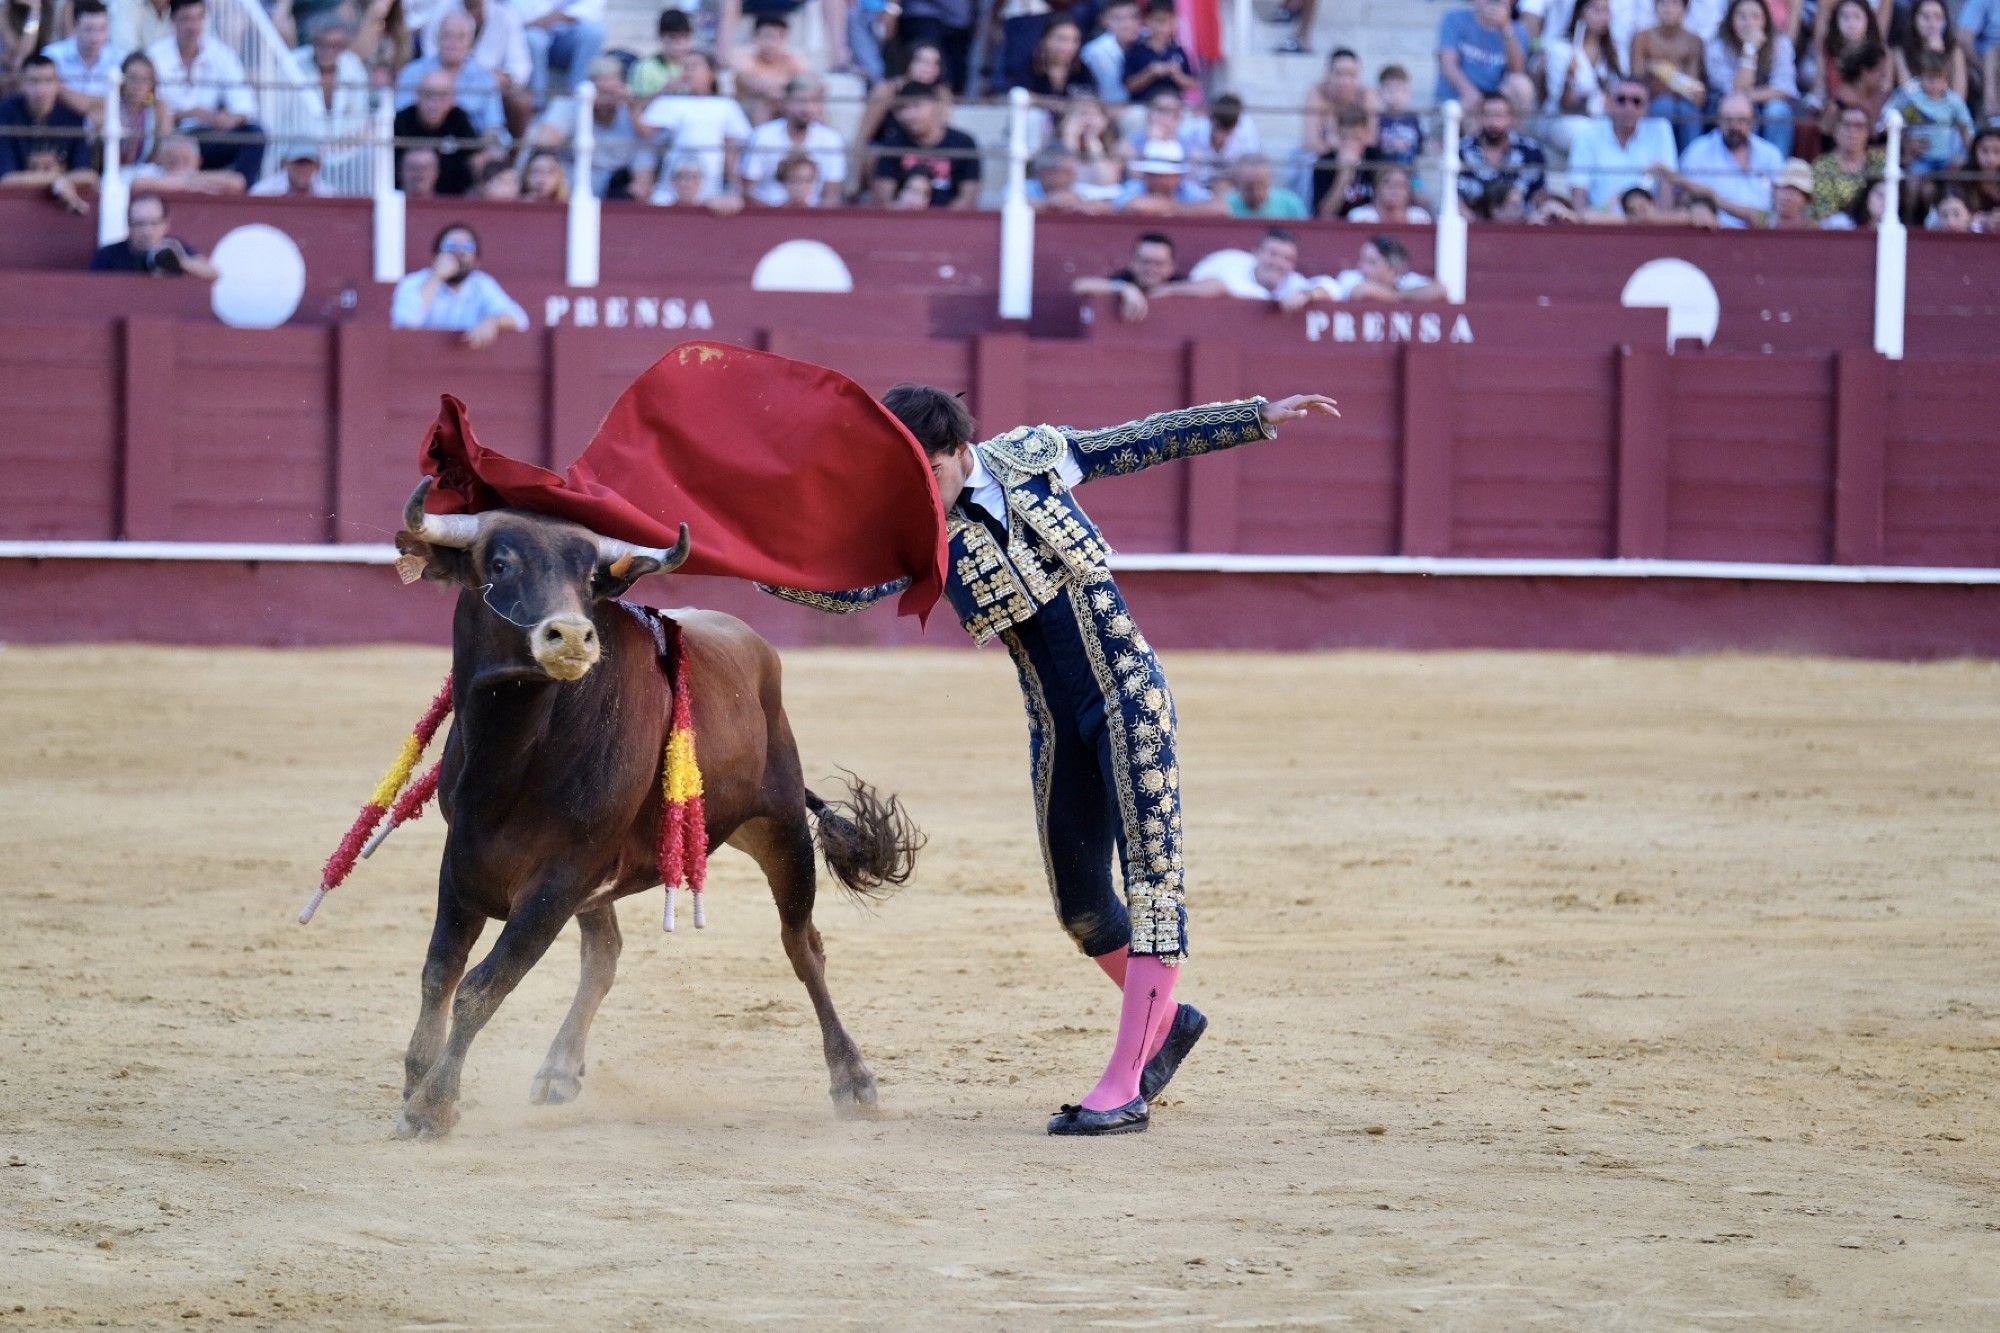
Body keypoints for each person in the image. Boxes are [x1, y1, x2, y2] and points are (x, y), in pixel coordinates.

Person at [760, 381, 1341, 1137]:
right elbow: (840, 590)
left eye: (926, 473)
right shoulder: (917, 530)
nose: (918, 493)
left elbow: (1143, 439)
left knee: (1154, 880)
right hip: (1056, 722)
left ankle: (1125, 1084)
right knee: (1081, 903)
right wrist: (751, 557)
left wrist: (1253, 418)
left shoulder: (1034, 457)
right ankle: (1167, 1024)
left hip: (1129, 692)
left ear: (961, 453)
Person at [147, 0, 264, 182]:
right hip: (169, 135)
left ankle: (241, 194)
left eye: (199, 18)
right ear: (172, 20)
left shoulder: (221, 54)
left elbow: (245, 106)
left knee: (254, 135)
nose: (193, 26)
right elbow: (146, 105)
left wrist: (228, 119)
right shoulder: (155, 56)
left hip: (209, 136)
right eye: (186, 19)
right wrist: (190, 113)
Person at [641, 51, 751, 203]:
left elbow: (731, 150)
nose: (688, 72)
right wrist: (663, 91)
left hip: (711, 187)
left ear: (711, 73)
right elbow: (645, 132)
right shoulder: (671, 101)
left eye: (694, 66)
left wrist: (735, 188)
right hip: (672, 184)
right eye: (685, 67)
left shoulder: (726, 105)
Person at [391, 224, 529, 345]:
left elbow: (520, 320)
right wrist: (436, 277)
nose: (459, 252)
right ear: (435, 257)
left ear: (476, 262)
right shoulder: (413, 283)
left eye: (468, 247)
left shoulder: (481, 284)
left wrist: (493, 321)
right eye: (451, 246)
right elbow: (406, 322)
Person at [1566, 74, 1678, 211]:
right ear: (1609, 104)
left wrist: (1661, 227)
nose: (1628, 107)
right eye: (1621, 100)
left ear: (1646, 108)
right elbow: (1579, 193)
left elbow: (1668, 185)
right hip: (1600, 225)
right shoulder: (1587, 135)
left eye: (1636, 101)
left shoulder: (1660, 130)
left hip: (1646, 225)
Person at [1670, 90, 1785, 223]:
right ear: (1718, 121)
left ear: (1753, 122)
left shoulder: (1771, 155)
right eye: (1728, 120)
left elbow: (1780, 209)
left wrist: (1715, 199)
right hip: (1714, 236)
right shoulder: (1698, 151)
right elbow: (1683, 199)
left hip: (1763, 236)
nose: (1734, 127)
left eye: (1741, 120)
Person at [1705, 0, 1798, 154]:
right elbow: (1735, 93)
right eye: (1742, 16)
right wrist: (1750, 50)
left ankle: (1777, 170)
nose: (1749, 23)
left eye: (1756, 17)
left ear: (1765, 20)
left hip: (1765, 103)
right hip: (1725, 104)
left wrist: (1749, 96)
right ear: (1731, 19)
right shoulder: (1717, 46)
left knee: (1778, 111)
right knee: (1743, 111)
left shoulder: (1780, 43)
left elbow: (1785, 88)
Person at [395, 10, 505, 138]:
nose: (453, 43)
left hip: (468, 151)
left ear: (472, 43)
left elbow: (494, 126)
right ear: (437, 38)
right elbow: (400, 120)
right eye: (447, 35)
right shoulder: (412, 73)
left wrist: (484, 154)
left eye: (461, 37)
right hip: (419, 147)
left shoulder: (484, 78)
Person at [869, 83, 980, 208]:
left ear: (935, 106)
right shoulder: (892, 145)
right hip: (903, 221)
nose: (908, 115)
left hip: (948, 222)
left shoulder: (964, 143)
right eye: (902, 108)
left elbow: (967, 199)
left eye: (916, 106)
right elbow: (884, 201)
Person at [740, 75, 846, 205]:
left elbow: (832, 195)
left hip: (813, 217)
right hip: (768, 215)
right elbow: (747, 191)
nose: (807, 108)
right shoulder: (762, 136)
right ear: (785, 103)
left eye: (814, 101)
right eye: (800, 101)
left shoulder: (832, 140)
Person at [1071, 230, 1211, 320]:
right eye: (1145, 262)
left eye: (1159, 264)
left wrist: (1171, 289)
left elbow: (1217, 285)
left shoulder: (1178, 282)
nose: (1151, 269)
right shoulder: (1125, 280)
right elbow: (1080, 285)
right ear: (1132, 263)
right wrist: (1124, 288)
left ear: (1171, 266)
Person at [1544, 0, 1627, 151]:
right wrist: (1570, 78)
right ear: (1581, 12)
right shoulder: (1561, 50)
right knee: (1589, 135)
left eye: (1606, 11)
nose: (1602, 17)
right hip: (1566, 120)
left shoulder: (1614, 53)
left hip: (1604, 120)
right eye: (1596, 10)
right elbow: (1564, 104)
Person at [1881, 47, 1973, 175]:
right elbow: (1891, 123)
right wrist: (1907, 142)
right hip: (1920, 158)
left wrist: (1969, 156)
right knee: (1914, 181)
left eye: (1939, 78)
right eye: (1929, 78)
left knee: (1956, 174)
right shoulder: (1912, 100)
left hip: (1947, 159)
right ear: (1920, 76)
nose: (1934, 83)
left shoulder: (1954, 102)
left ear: (1946, 79)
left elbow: (1965, 128)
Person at [0, 54, 90, 181]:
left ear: (58, 84)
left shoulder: (72, 114)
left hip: (62, 196)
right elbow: (6, 178)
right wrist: (55, 179)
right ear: (22, 84)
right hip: (17, 197)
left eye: (48, 81)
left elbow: (87, 175)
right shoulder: (4, 114)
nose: (41, 90)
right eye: (33, 81)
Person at [1437, 0, 1535, 116]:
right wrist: (1468, 91)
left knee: (1522, 86)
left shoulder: (1518, 31)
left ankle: (1514, 134)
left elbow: (1517, 71)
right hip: (1459, 96)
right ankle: (1474, 134)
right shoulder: (1454, 19)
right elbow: (1447, 64)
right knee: (1470, 103)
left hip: (1496, 97)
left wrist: (1506, 28)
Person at [395, 71, 484, 196]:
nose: (434, 104)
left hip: (453, 198)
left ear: (452, 100)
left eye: (442, 97)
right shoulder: (401, 120)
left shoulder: (459, 119)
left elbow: (477, 159)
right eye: (428, 95)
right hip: (404, 198)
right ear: (418, 95)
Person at [1633, 0, 1707, 148]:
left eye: (1675, 4)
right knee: (1664, 105)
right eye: (1664, 4)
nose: (1669, 9)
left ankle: (1690, 165)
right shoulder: (1642, 38)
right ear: (1656, 7)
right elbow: (1637, 77)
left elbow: (1693, 86)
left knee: (1689, 111)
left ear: (1685, 8)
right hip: (1651, 100)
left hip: (1683, 101)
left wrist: (1667, 78)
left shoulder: (1694, 41)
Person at [89, 193, 218, 277]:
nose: (147, 231)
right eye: (139, 223)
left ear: (166, 224)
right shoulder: (108, 255)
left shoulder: (173, 249)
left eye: (154, 223)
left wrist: (181, 262)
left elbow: (212, 273)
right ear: (128, 224)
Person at [1457, 89, 1548, 207]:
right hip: (1472, 223)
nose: (1493, 122)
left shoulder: (1531, 151)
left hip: (1521, 223)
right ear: (1478, 117)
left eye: (1499, 115)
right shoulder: (1461, 151)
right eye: (1488, 115)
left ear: (1511, 118)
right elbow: (1454, 198)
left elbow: (1540, 195)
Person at [44, 0, 125, 121]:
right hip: (62, 124)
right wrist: (99, 102)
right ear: (75, 27)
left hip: (105, 126)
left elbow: (125, 101)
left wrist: (62, 90)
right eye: (89, 29)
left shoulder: (120, 60)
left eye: (102, 29)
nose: (95, 38)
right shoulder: (52, 56)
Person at [1819, 0, 1892, 133]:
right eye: (1845, 17)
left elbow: (1885, 89)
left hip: (1875, 122)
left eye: (1857, 17)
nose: (1851, 24)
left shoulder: (1881, 53)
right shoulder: (1827, 52)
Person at [513, 0, 604, 107]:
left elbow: (593, 6)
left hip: (566, 31)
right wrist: (535, 21)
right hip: (531, 28)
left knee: (594, 32)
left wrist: (557, 17)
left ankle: (577, 100)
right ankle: (537, 104)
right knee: (533, 39)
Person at [1195, 227, 1322, 301]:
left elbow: (1330, 287)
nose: (1279, 263)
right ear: (1256, 254)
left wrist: (1308, 295)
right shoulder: (1229, 265)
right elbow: (1202, 282)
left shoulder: (1293, 282)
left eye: (1287, 259)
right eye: (1273, 254)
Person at [1311, 103, 1387, 217]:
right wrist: (1344, 175)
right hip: (1337, 229)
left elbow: (1388, 208)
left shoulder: (1377, 158)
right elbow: (1325, 214)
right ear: (1337, 134)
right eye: (1345, 138)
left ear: (1366, 135)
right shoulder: (1325, 163)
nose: (1350, 144)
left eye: (1356, 138)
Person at [1320, 234, 1447, 302]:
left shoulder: (1406, 280)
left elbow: (1440, 290)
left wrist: (1397, 295)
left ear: (1392, 270)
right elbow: (1362, 291)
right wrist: (1403, 297)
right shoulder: (1350, 277)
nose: (1361, 266)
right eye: (1362, 260)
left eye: (1371, 262)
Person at [1810, 101, 1883, 218]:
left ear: (1868, 132)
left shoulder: (1880, 161)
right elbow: (1824, 211)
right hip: (1836, 229)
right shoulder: (1823, 165)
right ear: (1835, 131)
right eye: (1846, 125)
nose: (1852, 132)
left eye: (1859, 126)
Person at [1114, 137, 1224, 214]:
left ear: (1177, 176)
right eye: (1153, 175)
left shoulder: (1187, 189)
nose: (1158, 180)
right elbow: (1132, 205)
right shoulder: (1136, 186)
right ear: (1145, 175)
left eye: (1164, 175)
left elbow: (1221, 207)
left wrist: (1175, 208)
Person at [731, 13, 807, 124]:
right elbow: (756, 85)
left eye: (779, 37)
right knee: (763, 102)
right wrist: (785, 87)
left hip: (784, 106)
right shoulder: (745, 59)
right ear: (755, 38)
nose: (773, 44)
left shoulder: (793, 59)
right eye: (768, 37)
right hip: (748, 112)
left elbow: (810, 85)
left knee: (811, 104)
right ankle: (760, 140)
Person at [1301, 47, 1375, 158]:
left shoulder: (1366, 95)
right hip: (1322, 156)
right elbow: (1310, 141)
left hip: (1356, 154)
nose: (1345, 81)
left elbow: (1371, 139)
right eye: (1339, 74)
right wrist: (1338, 152)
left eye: (1351, 75)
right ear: (1328, 74)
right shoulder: (1317, 94)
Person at [1122, 0, 1197, 106]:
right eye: (1159, 21)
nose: (1164, 27)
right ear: (1147, 21)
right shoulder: (1136, 51)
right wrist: (1150, 73)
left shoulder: (1178, 50)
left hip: (1174, 106)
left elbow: (1193, 83)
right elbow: (1129, 86)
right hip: (1143, 106)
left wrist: (1177, 75)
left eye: (1170, 21)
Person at [1890, 0, 1964, 100]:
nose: (1932, 24)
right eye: (1926, 17)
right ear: (1914, 20)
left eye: (1938, 17)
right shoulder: (1900, 51)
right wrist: (1929, 55)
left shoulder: (1955, 51)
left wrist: (1939, 58)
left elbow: (1958, 98)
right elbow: (1909, 93)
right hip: (1912, 112)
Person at [1081, 0, 1141, 103]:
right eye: (1120, 19)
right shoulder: (1096, 51)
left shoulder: (1148, 41)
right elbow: (1109, 96)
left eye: (1134, 17)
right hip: (1105, 108)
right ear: (1104, 21)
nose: (1129, 24)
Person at [628, 8, 694, 99]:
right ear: (661, 37)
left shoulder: (696, 66)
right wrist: (665, 91)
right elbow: (638, 105)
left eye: (685, 37)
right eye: (673, 37)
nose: (680, 44)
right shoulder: (645, 68)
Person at [1225, 154, 1306, 217]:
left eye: (1262, 186)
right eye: (1249, 187)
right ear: (1237, 183)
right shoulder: (1226, 206)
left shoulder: (1291, 204)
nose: (1256, 193)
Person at [1346, 163, 1431, 223]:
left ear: (1408, 191)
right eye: (1387, 183)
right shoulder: (1360, 216)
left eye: (1400, 184)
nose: (1394, 189)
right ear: (1377, 188)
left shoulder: (1419, 218)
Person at [1373, 65, 1424, 164]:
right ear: (1380, 92)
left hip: (1409, 171)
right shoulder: (1377, 119)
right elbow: (1374, 148)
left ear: (1408, 92)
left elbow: (1420, 145)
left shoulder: (1414, 118)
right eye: (1390, 90)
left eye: (1401, 90)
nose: (1396, 95)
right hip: (1384, 171)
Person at [1959, 0, 2000, 117]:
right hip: (1988, 64)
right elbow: (1964, 38)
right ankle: (1993, 117)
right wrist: (1983, 67)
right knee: (1993, 56)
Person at [249, 144, 333, 194]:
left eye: (308, 163)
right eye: (298, 163)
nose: (302, 169)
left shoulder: (329, 194)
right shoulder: (263, 192)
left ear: (317, 166)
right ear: (285, 164)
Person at [1768, 154, 1813, 223]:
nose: (1786, 197)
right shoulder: (1760, 223)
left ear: (1806, 199)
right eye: (1784, 188)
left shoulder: (1817, 230)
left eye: (1794, 190)